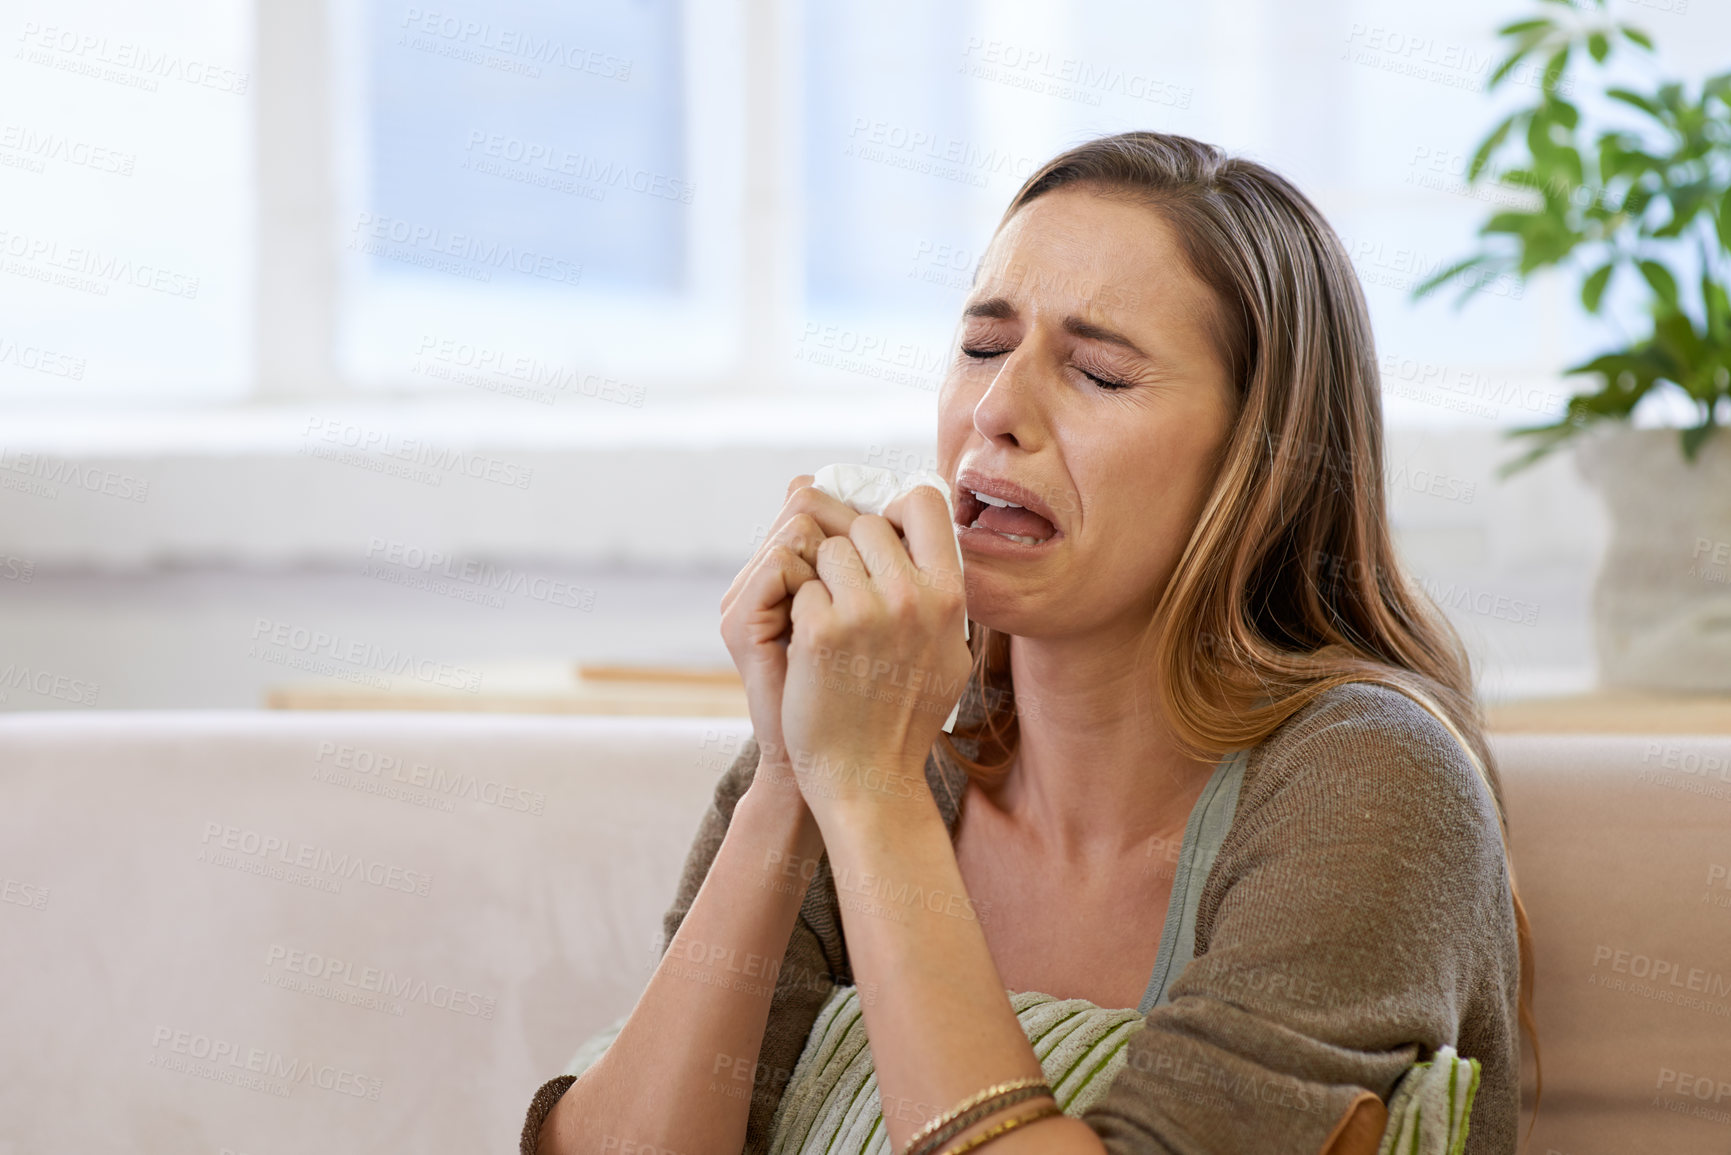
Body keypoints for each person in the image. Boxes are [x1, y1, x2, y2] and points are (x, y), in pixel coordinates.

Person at [524, 131, 1531, 1155]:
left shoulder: (1375, 784)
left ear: (1258, 463)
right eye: (983, 346)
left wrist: (869, 794)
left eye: (1097, 373)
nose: (997, 412)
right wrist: (791, 779)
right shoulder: (867, 725)